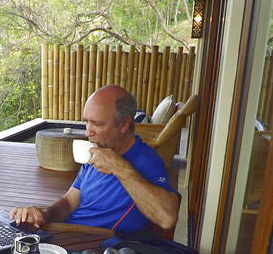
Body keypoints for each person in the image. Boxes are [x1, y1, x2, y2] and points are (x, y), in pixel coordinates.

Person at [10, 85, 181, 233]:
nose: (87, 132)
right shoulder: (98, 151)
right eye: (87, 122)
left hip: (96, 246)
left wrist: (119, 167)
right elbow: (69, 202)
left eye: (98, 124)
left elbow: (167, 218)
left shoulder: (145, 160)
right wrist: (44, 214)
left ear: (124, 124)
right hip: (67, 234)